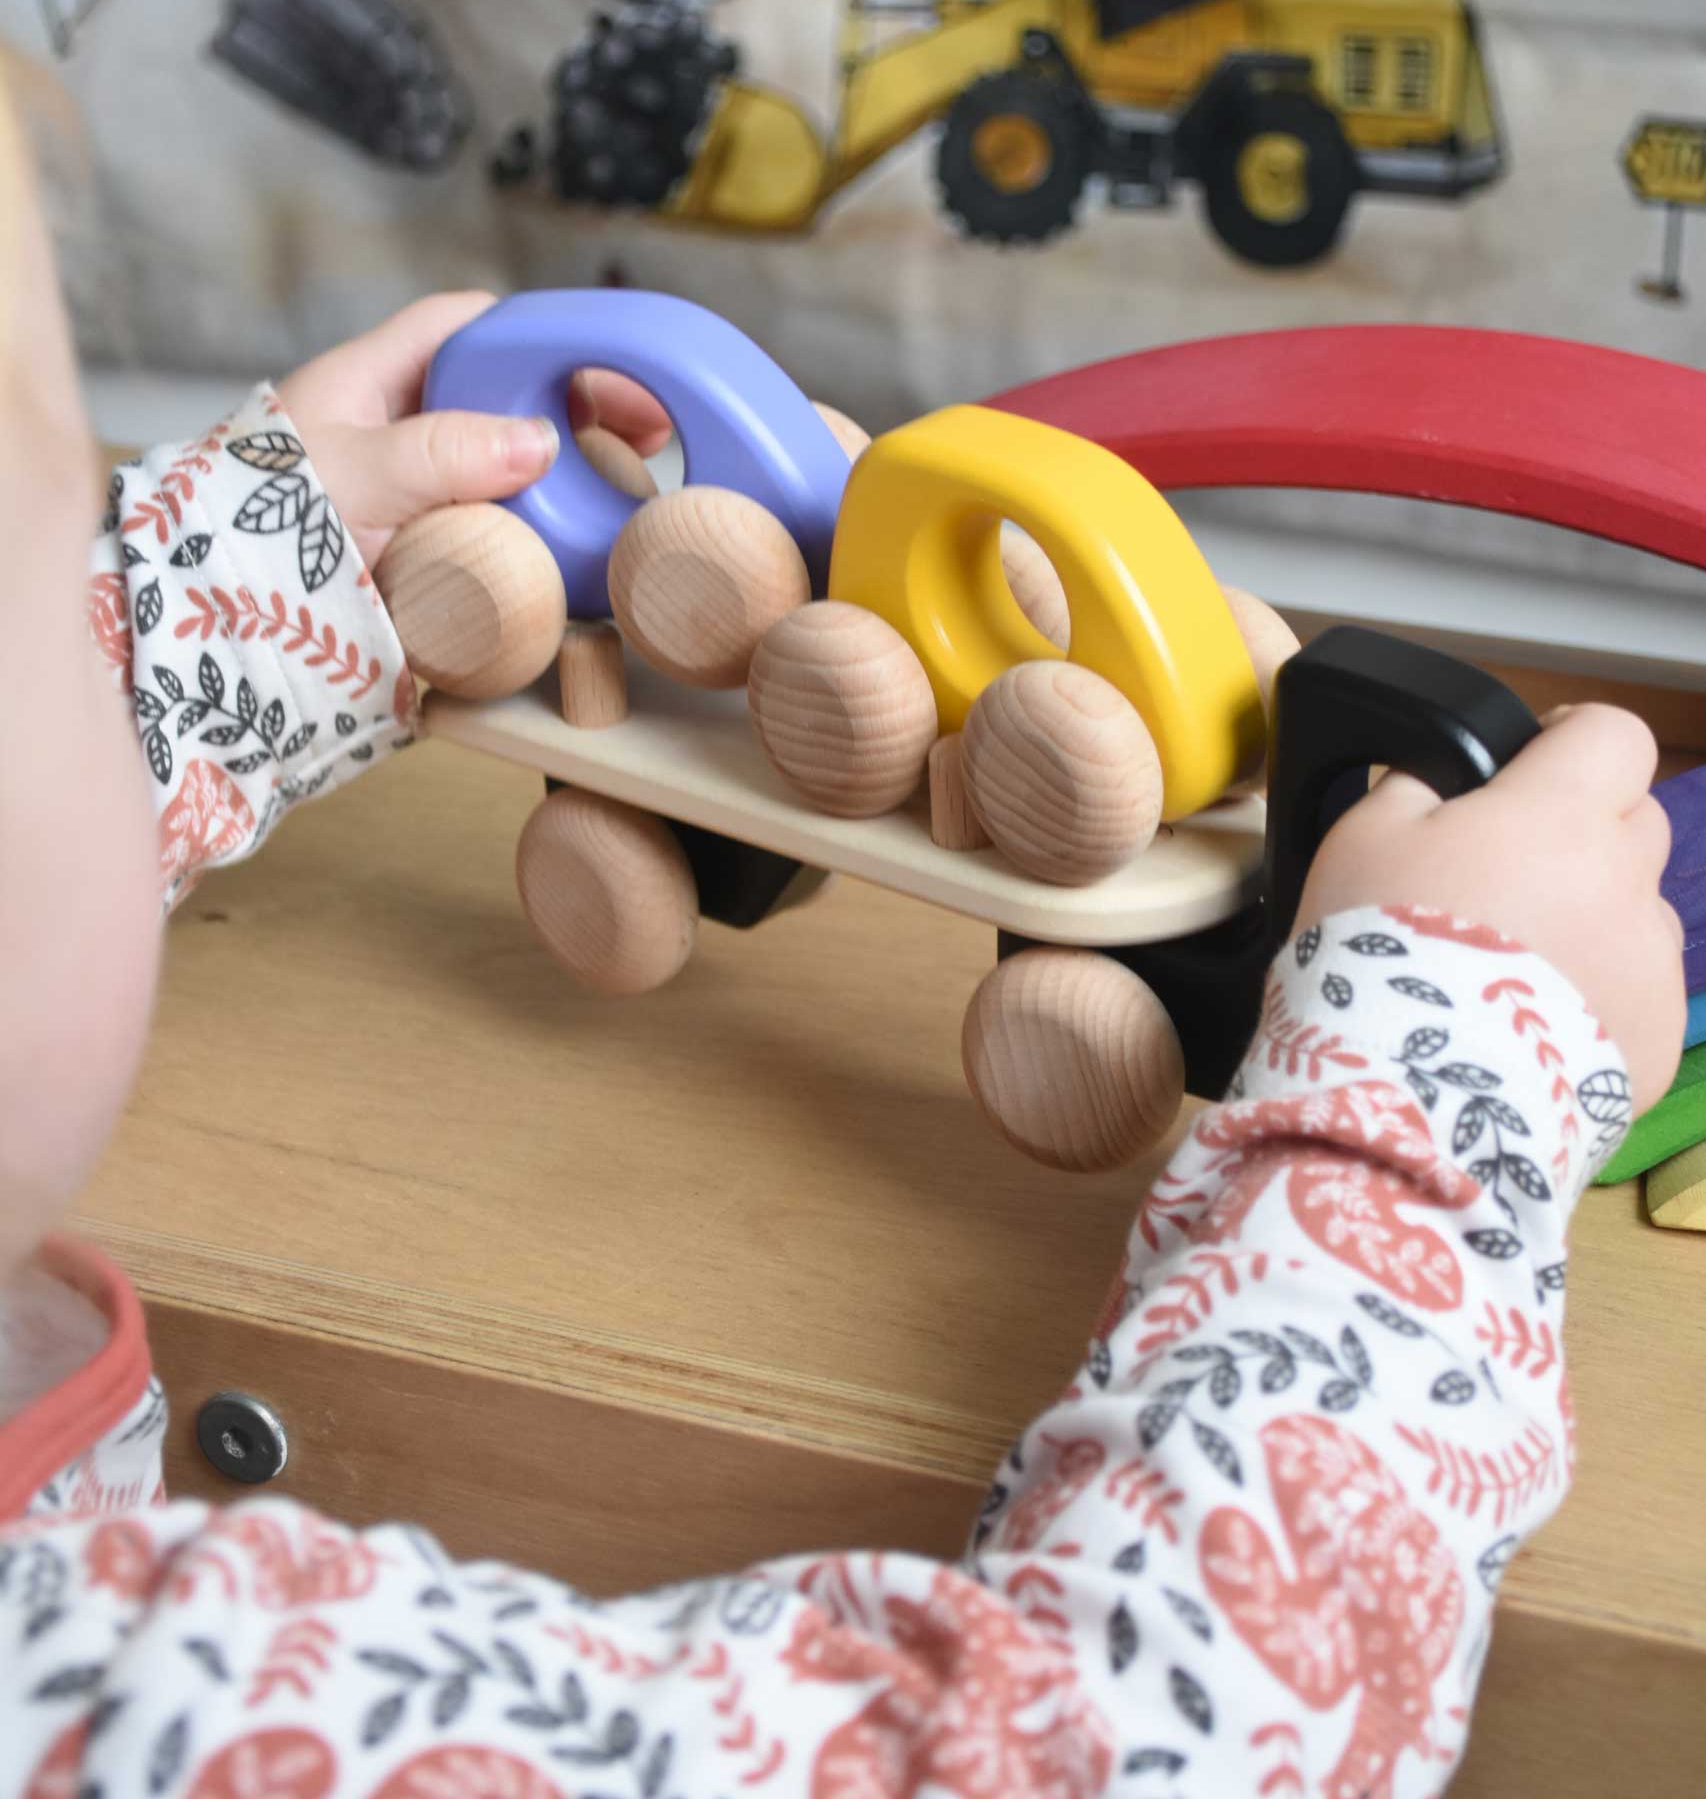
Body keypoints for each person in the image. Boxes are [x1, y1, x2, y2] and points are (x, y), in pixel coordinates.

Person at [0, 94, 1684, 1799]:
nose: (93, 626)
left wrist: (201, 604)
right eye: (61, 588)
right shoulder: (138, 1724)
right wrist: (1443, 1079)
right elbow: (1143, 1749)